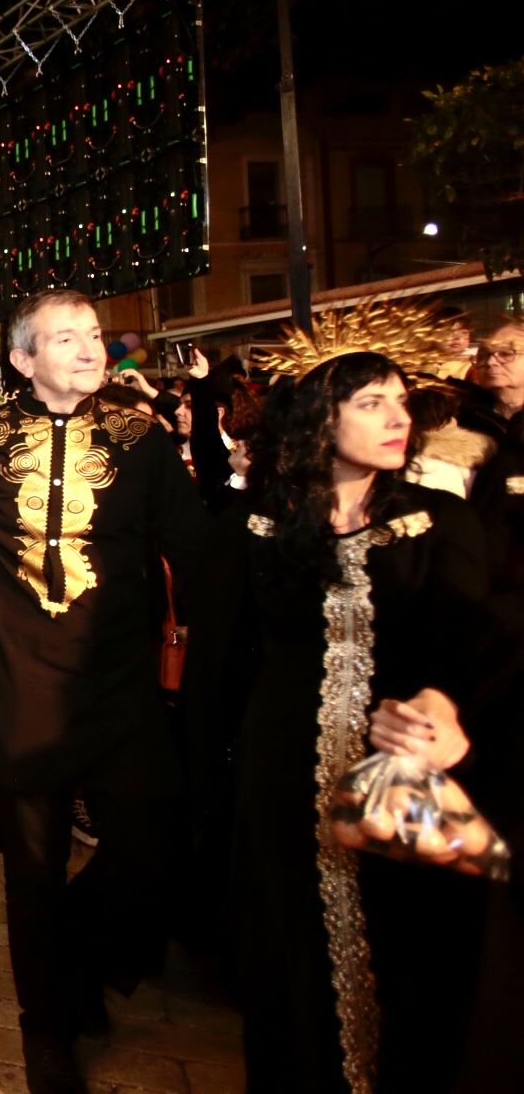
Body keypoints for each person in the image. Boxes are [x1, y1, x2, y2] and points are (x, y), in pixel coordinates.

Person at [0, 290, 225, 1091]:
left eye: (93, 335)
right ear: (23, 358)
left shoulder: (139, 438)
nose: (89, 350)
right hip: (18, 676)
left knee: (150, 846)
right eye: (65, 338)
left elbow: (189, 545)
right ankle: (44, 1026)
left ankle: (75, 959)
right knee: (33, 867)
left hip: (117, 678)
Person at [186, 311, 491, 1093]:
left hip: (408, 786)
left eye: (399, 401)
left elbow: (481, 647)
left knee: (415, 959)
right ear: (319, 417)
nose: (395, 418)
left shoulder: (441, 522)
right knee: (290, 960)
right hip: (281, 782)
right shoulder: (250, 532)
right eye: (370, 403)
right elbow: (216, 672)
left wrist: (450, 710)